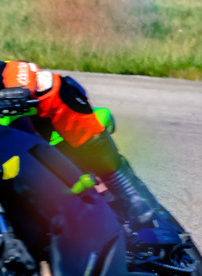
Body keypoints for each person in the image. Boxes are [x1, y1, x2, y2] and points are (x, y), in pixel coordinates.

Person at [0, 60, 153, 225]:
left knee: (49, 86)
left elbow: (19, 70)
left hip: (28, 135)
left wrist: (20, 88)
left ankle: (126, 191)